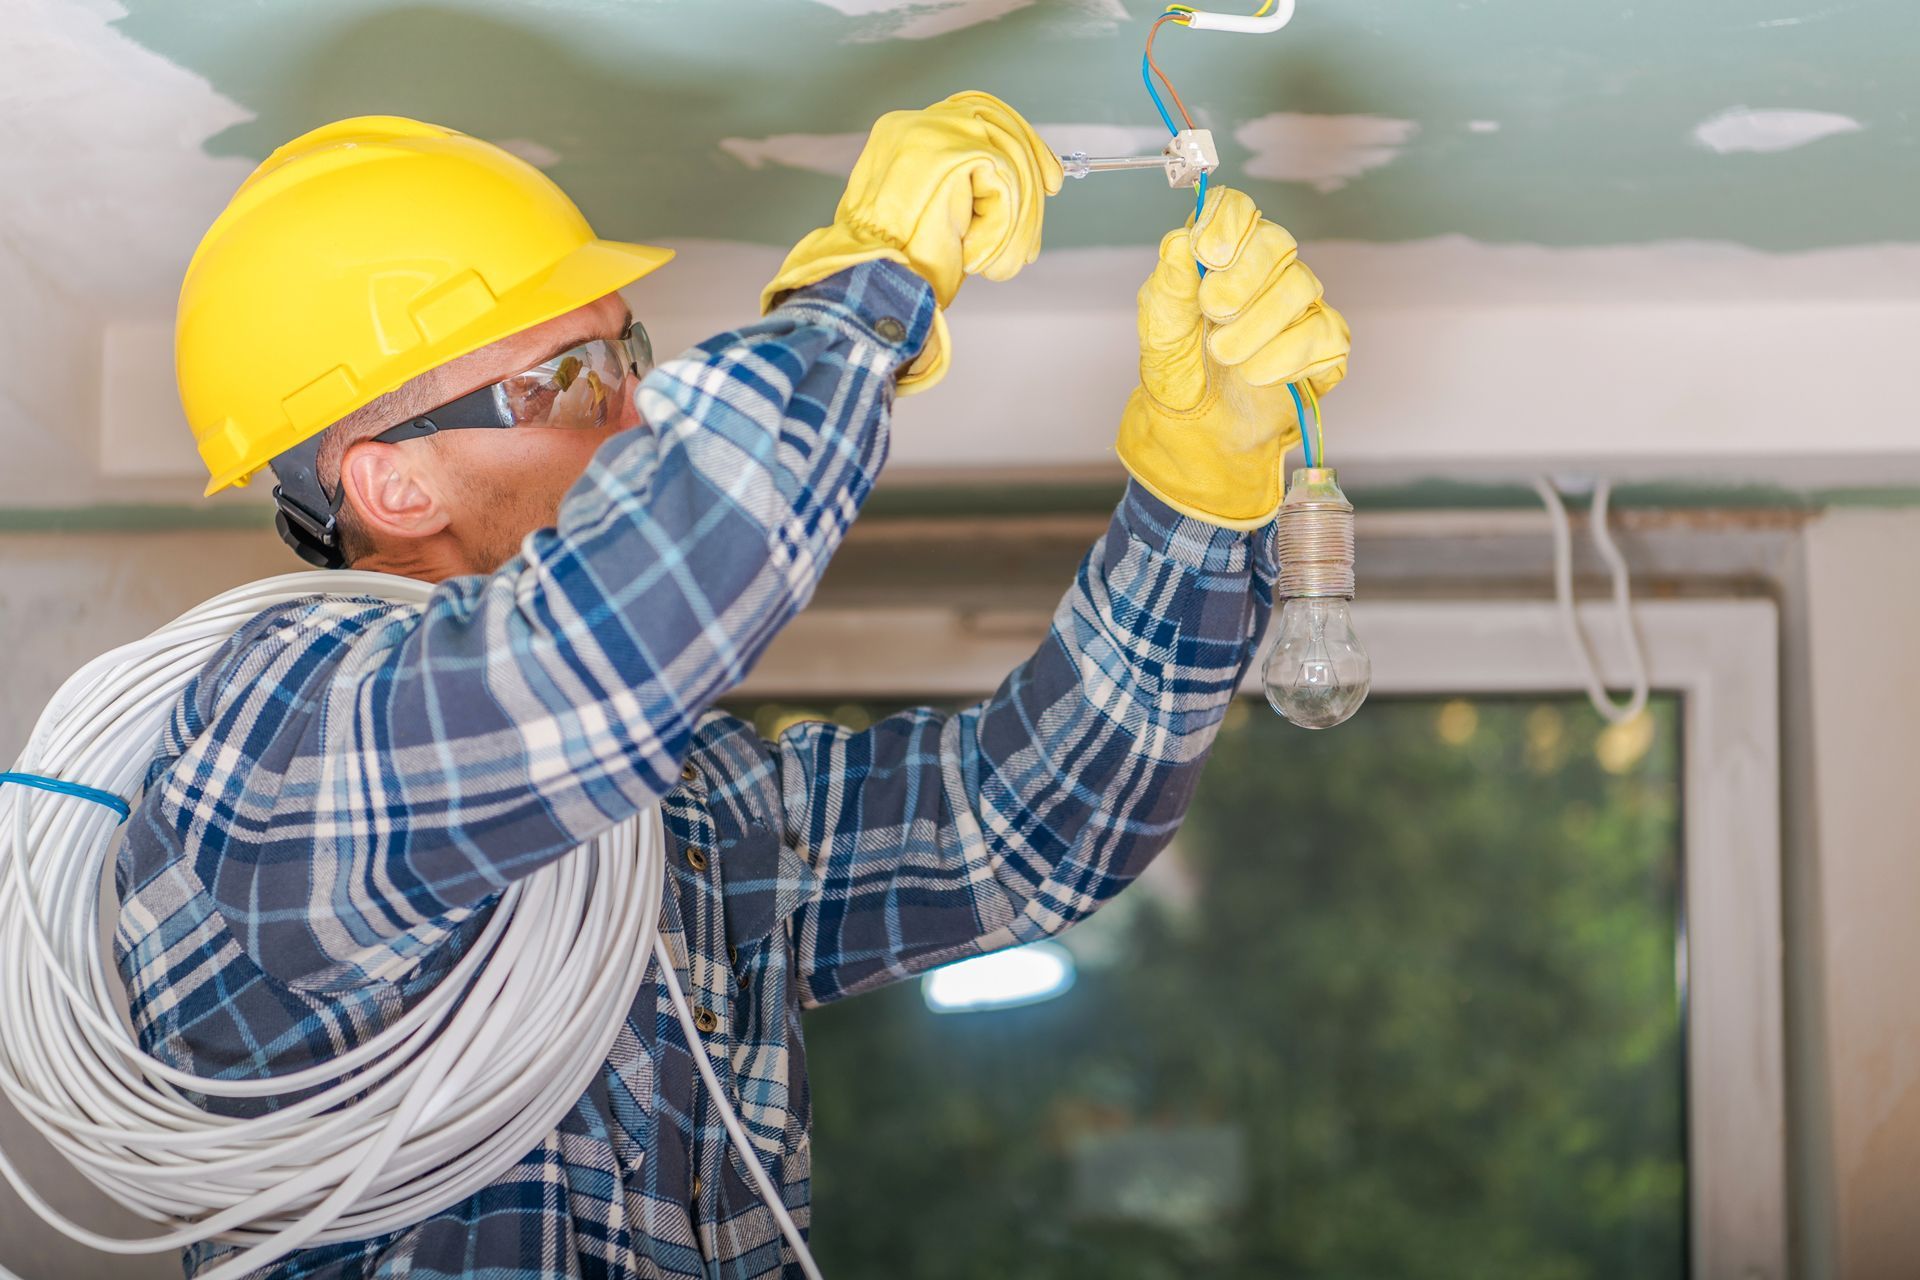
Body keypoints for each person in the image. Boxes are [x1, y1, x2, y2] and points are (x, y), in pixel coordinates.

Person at [130, 92, 1348, 1277]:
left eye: (629, 353)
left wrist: (1200, 489)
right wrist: (868, 293)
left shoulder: (685, 807)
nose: (638, 401)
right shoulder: (262, 746)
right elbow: (632, 616)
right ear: (394, 488)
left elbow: (1016, 831)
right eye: (571, 378)